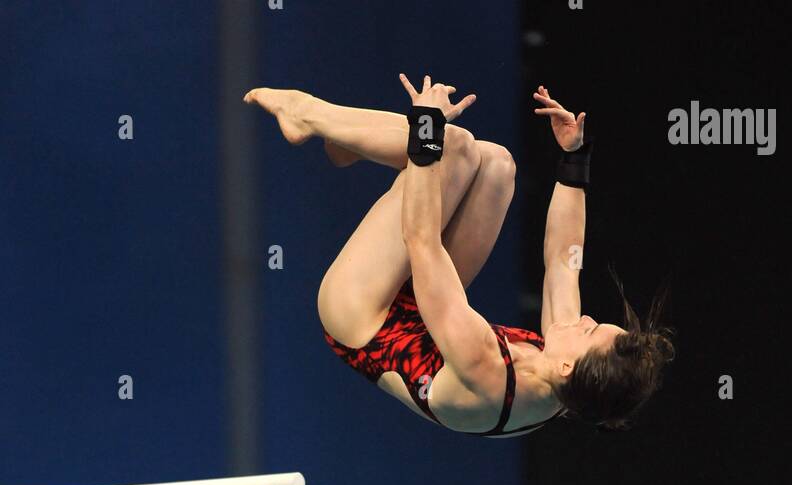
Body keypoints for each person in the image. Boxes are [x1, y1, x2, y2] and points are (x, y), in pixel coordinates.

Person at [244, 78, 673, 435]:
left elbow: (421, 238)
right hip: (426, 314)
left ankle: (309, 115)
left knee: (452, 146)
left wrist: (426, 127)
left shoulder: (485, 368)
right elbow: (563, 261)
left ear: (566, 365)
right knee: (496, 164)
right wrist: (574, 158)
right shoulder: (571, 381)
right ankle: (353, 140)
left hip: (363, 320)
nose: (583, 319)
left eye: (589, 329)